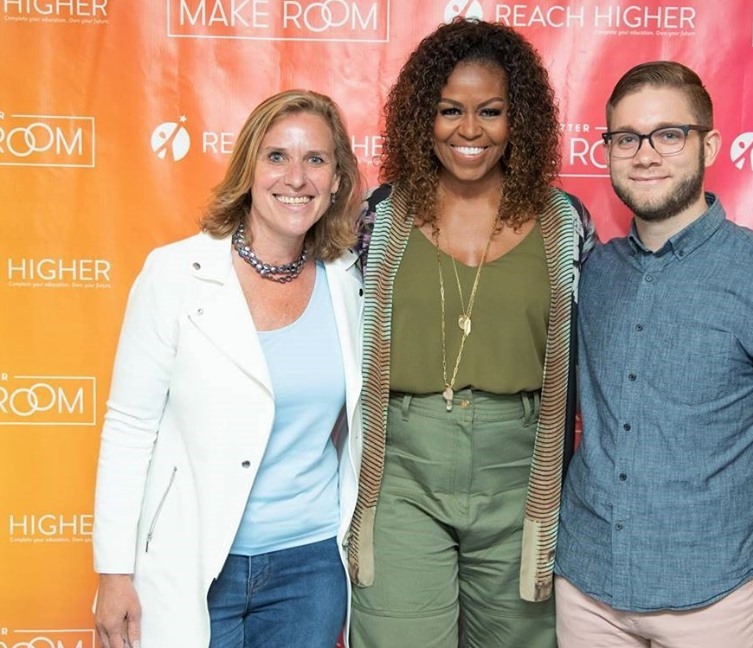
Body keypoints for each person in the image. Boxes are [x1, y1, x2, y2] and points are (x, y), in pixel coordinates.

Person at [555, 61, 753, 647]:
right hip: (586, 588)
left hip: (715, 596)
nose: (645, 154)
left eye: (669, 134)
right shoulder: (594, 273)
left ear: (708, 143)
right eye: (626, 138)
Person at [346, 18, 595, 648]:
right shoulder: (381, 217)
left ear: (521, 120)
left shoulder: (566, 223)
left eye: (491, 111)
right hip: (402, 467)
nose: (469, 130)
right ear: (420, 116)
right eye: (449, 110)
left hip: (522, 472)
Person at [92, 89, 364, 648]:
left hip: (308, 568)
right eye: (277, 156)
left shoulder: (348, 281)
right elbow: (129, 427)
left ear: (337, 181)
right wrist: (113, 572)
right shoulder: (173, 274)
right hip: (192, 560)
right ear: (249, 168)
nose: (297, 177)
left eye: (316, 160)